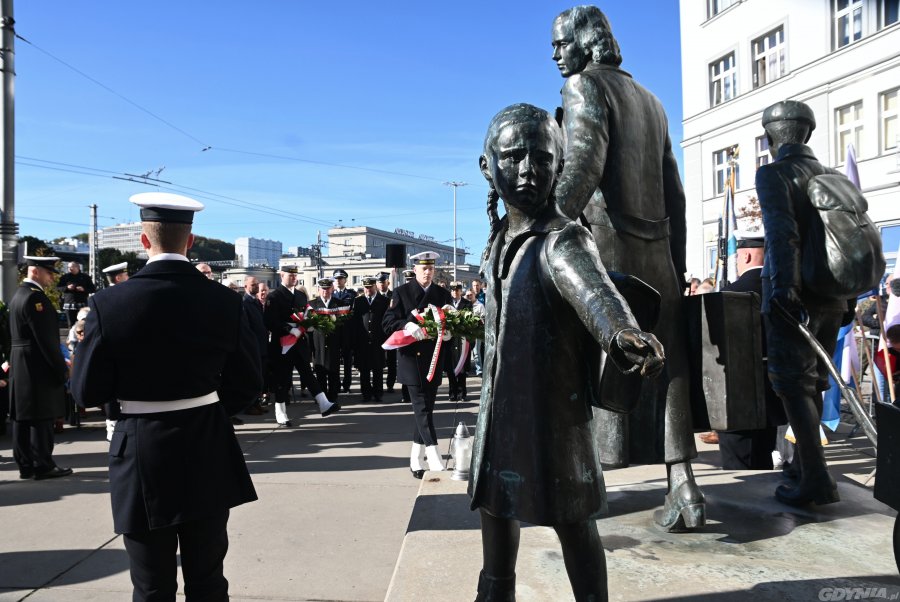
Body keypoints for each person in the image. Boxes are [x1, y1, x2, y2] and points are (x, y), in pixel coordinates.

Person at [469, 103, 665, 601]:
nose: (528, 170)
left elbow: (596, 293)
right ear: (487, 165)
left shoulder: (562, 239)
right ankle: (496, 588)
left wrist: (622, 334)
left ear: (558, 165)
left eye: (541, 157)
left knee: (572, 516)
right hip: (501, 408)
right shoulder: (499, 238)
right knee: (496, 502)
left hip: (553, 411)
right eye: (514, 157)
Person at [551, 5, 701, 531]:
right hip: (658, 253)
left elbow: (584, 165)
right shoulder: (654, 103)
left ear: (586, 44)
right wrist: (678, 265)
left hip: (607, 251)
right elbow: (676, 197)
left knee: (590, 359)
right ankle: (682, 483)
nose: (554, 54)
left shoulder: (584, 87)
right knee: (670, 366)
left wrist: (543, 222)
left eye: (560, 43)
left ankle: (587, 484)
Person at [71, 193, 261, 599]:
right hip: (207, 443)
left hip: (141, 445)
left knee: (152, 584)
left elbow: (85, 389)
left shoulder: (107, 303)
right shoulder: (227, 302)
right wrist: (206, 405)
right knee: (208, 580)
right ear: (190, 241)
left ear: (143, 240)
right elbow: (248, 383)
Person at [755, 99, 854, 506]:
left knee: (791, 382)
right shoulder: (834, 177)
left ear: (768, 136)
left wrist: (783, 289)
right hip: (833, 295)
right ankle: (802, 465)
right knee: (815, 381)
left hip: (795, 293)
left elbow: (782, 234)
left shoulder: (775, 173)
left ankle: (815, 477)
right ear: (808, 132)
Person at [717, 231, 787, 470]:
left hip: (736, 392)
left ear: (745, 256)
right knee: (763, 459)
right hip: (773, 390)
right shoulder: (783, 294)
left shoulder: (728, 294)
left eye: (737, 257)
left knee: (738, 465)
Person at [383, 251, 453, 477]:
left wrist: (452, 332)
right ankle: (435, 459)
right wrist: (406, 326)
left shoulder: (442, 294)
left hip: (433, 359)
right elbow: (387, 322)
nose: (428, 272)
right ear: (415, 271)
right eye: (424, 268)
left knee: (425, 410)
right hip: (411, 360)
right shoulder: (401, 293)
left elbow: (452, 319)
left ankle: (415, 460)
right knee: (423, 409)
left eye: (431, 268)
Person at [9, 256, 72, 480]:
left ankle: (26, 464)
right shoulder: (36, 299)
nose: (52, 277)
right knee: (41, 416)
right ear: (35, 272)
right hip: (36, 364)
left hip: (20, 362)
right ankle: (43, 464)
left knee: (23, 416)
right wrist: (60, 369)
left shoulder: (18, 295)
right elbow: (46, 341)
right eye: (49, 272)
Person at [264, 267, 338, 427]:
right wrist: (289, 329)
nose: (294, 278)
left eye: (295, 275)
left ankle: (324, 403)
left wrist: (306, 324)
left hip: (299, 342)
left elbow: (306, 314)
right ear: (282, 275)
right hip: (282, 343)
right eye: (290, 275)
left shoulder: (300, 295)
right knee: (282, 378)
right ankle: (280, 412)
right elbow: (270, 321)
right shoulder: (274, 296)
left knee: (307, 373)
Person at [308, 277, 349, 402]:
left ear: (332, 288)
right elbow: (308, 329)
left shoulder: (340, 304)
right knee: (320, 372)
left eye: (328, 288)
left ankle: (332, 396)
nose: (325, 291)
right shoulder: (312, 305)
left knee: (333, 373)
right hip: (318, 345)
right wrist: (310, 348)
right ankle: (321, 398)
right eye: (323, 289)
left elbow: (344, 328)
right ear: (319, 289)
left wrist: (343, 346)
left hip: (334, 345)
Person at [351, 276, 389, 402]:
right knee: (364, 369)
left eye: (370, 287)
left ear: (375, 286)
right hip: (363, 341)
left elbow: (386, 321)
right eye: (366, 287)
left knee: (378, 368)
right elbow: (355, 321)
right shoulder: (358, 301)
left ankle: (378, 393)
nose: (367, 290)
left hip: (378, 340)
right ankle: (366, 393)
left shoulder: (383, 300)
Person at [242, 277, 268, 416]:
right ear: (246, 286)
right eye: (253, 284)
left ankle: (256, 403)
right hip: (253, 346)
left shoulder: (256, 302)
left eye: (257, 284)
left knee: (261, 376)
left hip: (262, 345)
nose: (256, 286)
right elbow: (246, 327)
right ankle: (249, 405)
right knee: (253, 377)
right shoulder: (245, 302)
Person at [444, 281, 472, 401]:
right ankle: (452, 393)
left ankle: (462, 393)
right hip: (449, 340)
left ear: (461, 291)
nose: (455, 292)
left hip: (462, 340)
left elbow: (469, 319)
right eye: (453, 290)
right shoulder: (446, 304)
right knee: (451, 368)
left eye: (457, 290)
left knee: (461, 368)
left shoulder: (467, 304)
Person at [331, 269, 357, 393]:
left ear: (345, 280)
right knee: (335, 360)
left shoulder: (351, 295)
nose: (338, 281)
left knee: (347, 361)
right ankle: (335, 385)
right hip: (335, 332)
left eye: (341, 278)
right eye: (336, 279)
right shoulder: (330, 294)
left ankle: (347, 384)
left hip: (347, 332)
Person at [376, 273, 398, 392]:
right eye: (379, 282)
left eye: (383, 282)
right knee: (378, 359)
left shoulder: (393, 295)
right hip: (378, 333)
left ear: (387, 283)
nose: (381, 284)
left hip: (390, 332)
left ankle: (390, 383)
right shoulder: (375, 296)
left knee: (391, 360)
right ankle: (378, 385)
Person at [57, 262, 95, 326]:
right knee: (71, 324)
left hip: (82, 303)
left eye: (71, 267)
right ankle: (71, 335)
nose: (69, 269)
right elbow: (58, 288)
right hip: (69, 303)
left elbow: (93, 289)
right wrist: (67, 288)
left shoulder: (85, 277)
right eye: (68, 267)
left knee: (83, 323)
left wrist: (83, 289)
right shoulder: (65, 277)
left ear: (77, 267)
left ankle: (82, 335)